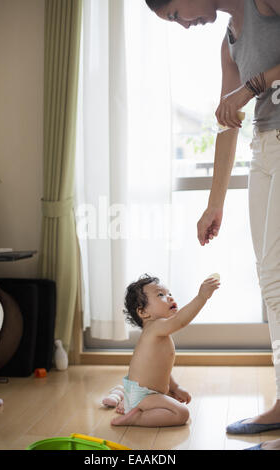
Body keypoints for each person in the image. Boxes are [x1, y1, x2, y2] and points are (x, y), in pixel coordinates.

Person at [145, 0, 280, 451]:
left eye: (176, 13)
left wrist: (252, 87)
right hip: (264, 148)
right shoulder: (229, 44)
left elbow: (240, 97)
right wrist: (213, 204)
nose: (184, 25)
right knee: (272, 281)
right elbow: (228, 122)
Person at [111, 273, 219, 426]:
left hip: (147, 394)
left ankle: (131, 407)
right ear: (143, 312)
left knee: (174, 404)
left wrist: (175, 388)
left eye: (170, 294)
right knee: (181, 413)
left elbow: (162, 369)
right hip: (143, 396)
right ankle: (136, 417)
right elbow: (180, 320)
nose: (169, 297)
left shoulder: (158, 331)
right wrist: (202, 297)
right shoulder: (155, 327)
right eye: (160, 295)